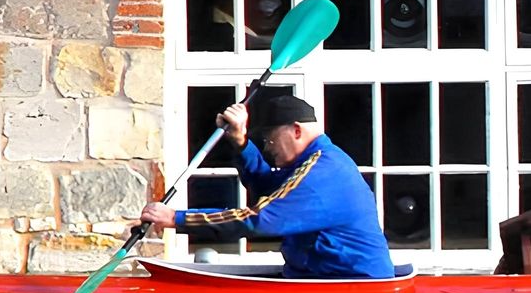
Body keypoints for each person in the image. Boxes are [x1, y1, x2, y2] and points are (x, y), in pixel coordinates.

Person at [140, 95, 395, 280]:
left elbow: (260, 219)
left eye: (270, 139)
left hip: (352, 285)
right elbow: (267, 189)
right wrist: (240, 142)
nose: (268, 147)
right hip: (316, 279)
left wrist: (177, 218)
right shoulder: (310, 163)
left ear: (296, 131)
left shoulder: (322, 173)